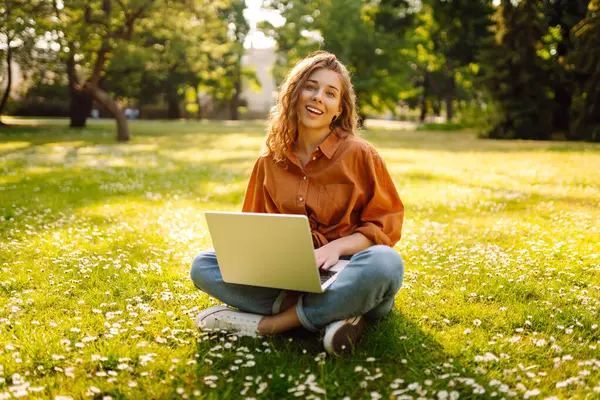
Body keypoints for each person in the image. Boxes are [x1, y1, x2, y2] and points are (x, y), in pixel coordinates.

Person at [190, 51, 404, 355]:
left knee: (385, 264)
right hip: (290, 279)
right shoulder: (269, 161)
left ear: (339, 109)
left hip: (350, 272)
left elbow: (384, 229)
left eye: (330, 93)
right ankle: (338, 314)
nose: (318, 97)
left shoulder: (361, 155)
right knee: (203, 265)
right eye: (311, 87)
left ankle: (274, 324)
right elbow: (255, 231)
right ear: (294, 94)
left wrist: (335, 247)